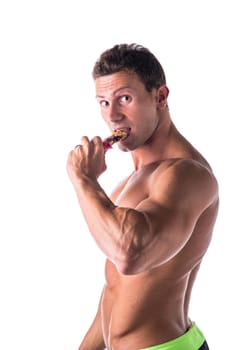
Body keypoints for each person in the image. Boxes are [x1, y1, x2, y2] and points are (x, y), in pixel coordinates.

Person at [66, 43, 219, 350]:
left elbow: (129, 254)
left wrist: (83, 180)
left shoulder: (186, 175)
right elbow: (116, 290)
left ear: (160, 97)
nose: (113, 115)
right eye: (103, 102)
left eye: (125, 98)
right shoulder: (132, 181)